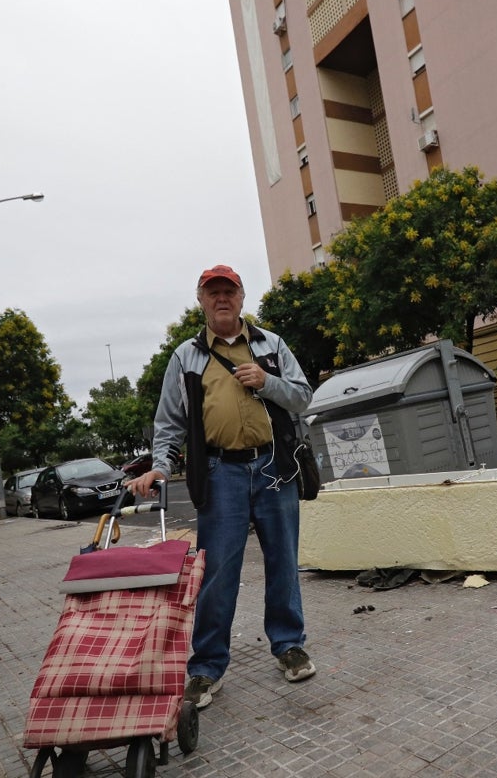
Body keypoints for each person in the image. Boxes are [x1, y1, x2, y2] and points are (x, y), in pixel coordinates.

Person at [125, 264, 316, 709]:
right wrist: (159, 467)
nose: (221, 298)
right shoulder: (185, 356)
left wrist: (267, 382)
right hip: (220, 472)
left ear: (242, 296)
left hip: (274, 467)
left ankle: (288, 645)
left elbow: (303, 395)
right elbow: (170, 422)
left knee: (283, 562)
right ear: (201, 300)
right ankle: (207, 666)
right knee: (216, 573)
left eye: (228, 290)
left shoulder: (271, 345)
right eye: (213, 292)